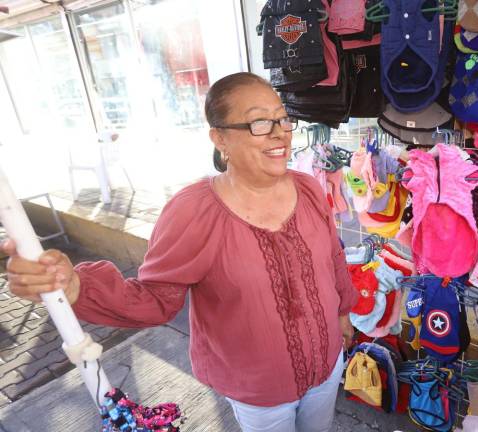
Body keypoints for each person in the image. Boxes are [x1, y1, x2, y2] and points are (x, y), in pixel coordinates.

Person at [1, 72, 358, 432]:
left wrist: (343, 313)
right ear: (220, 138)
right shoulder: (194, 212)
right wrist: (76, 286)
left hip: (328, 366)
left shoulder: (308, 189)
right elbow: (154, 299)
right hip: (260, 393)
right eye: (259, 123)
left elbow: (332, 258)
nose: (280, 133)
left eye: (283, 118)